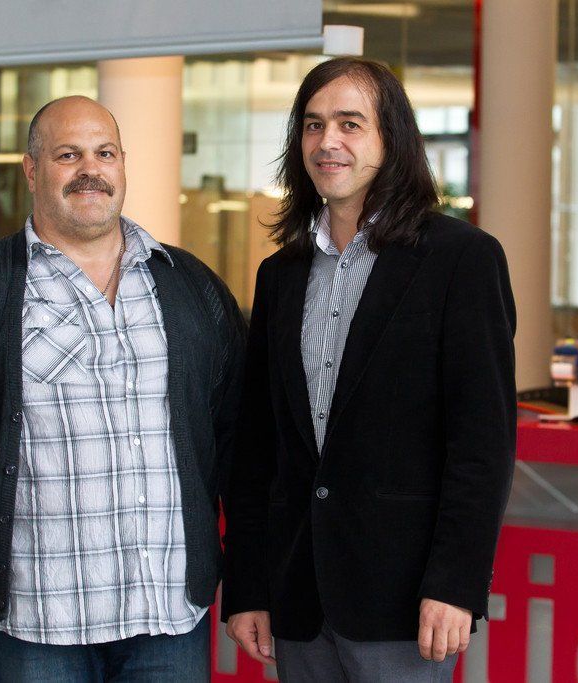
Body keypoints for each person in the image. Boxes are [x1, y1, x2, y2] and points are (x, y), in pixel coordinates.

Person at [0, 96, 245, 682]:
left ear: (123, 164)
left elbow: (241, 441)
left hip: (168, 617)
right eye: (68, 155)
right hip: (32, 624)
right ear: (31, 170)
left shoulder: (190, 287)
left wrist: (251, 580)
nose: (90, 170)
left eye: (105, 153)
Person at [221, 57, 517, 682]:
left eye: (350, 124)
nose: (327, 141)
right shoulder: (280, 275)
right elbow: (258, 449)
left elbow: (482, 444)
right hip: (298, 597)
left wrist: (456, 583)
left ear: (392, 140)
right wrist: (248, 584)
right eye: (313, 124)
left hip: (406, 601)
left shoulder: (462, 260)